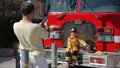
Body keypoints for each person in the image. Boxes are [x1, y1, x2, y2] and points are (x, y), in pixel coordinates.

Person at [13, 2, 49, 68]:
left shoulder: (15, 25)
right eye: (33, 12)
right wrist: (46, 27)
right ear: (31, 13)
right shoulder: (36, 27)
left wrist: (38, 27)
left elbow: (28, 29)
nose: (34, 14)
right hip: (38, 58)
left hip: (24, 57)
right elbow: (46, 36)